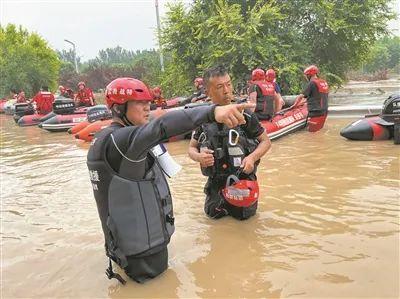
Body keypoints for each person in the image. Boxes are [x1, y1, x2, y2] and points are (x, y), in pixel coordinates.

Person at [86, 77, 256, 284]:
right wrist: (212, 112)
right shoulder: (121, 142)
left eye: (148, 102)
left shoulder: (113, 139)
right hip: (144, 254)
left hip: (129, 247)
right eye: (139, 102)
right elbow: (162, 126)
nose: (146, 107)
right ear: (119, 108)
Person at [188, 65, 271, 220]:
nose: (226, 90)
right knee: (214, 226)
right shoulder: (203, 119)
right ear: (207, 92)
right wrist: (199, 156)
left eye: (229, 84)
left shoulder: (244, 114)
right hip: (215, 186)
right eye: (219, 87)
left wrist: (252, 158)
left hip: (242, 184)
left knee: (245, 227)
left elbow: (266, 142)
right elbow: (191, 148)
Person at [294, 65, 329, 132]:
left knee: (312, 134)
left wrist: (294, 105)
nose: (306, 77)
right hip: (324, 111)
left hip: (316, 112)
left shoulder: (312, 83)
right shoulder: (324, 82)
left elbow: (301, 96)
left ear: (310, 75)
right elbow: (318, 96)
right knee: (319, 131)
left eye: (307, 75)